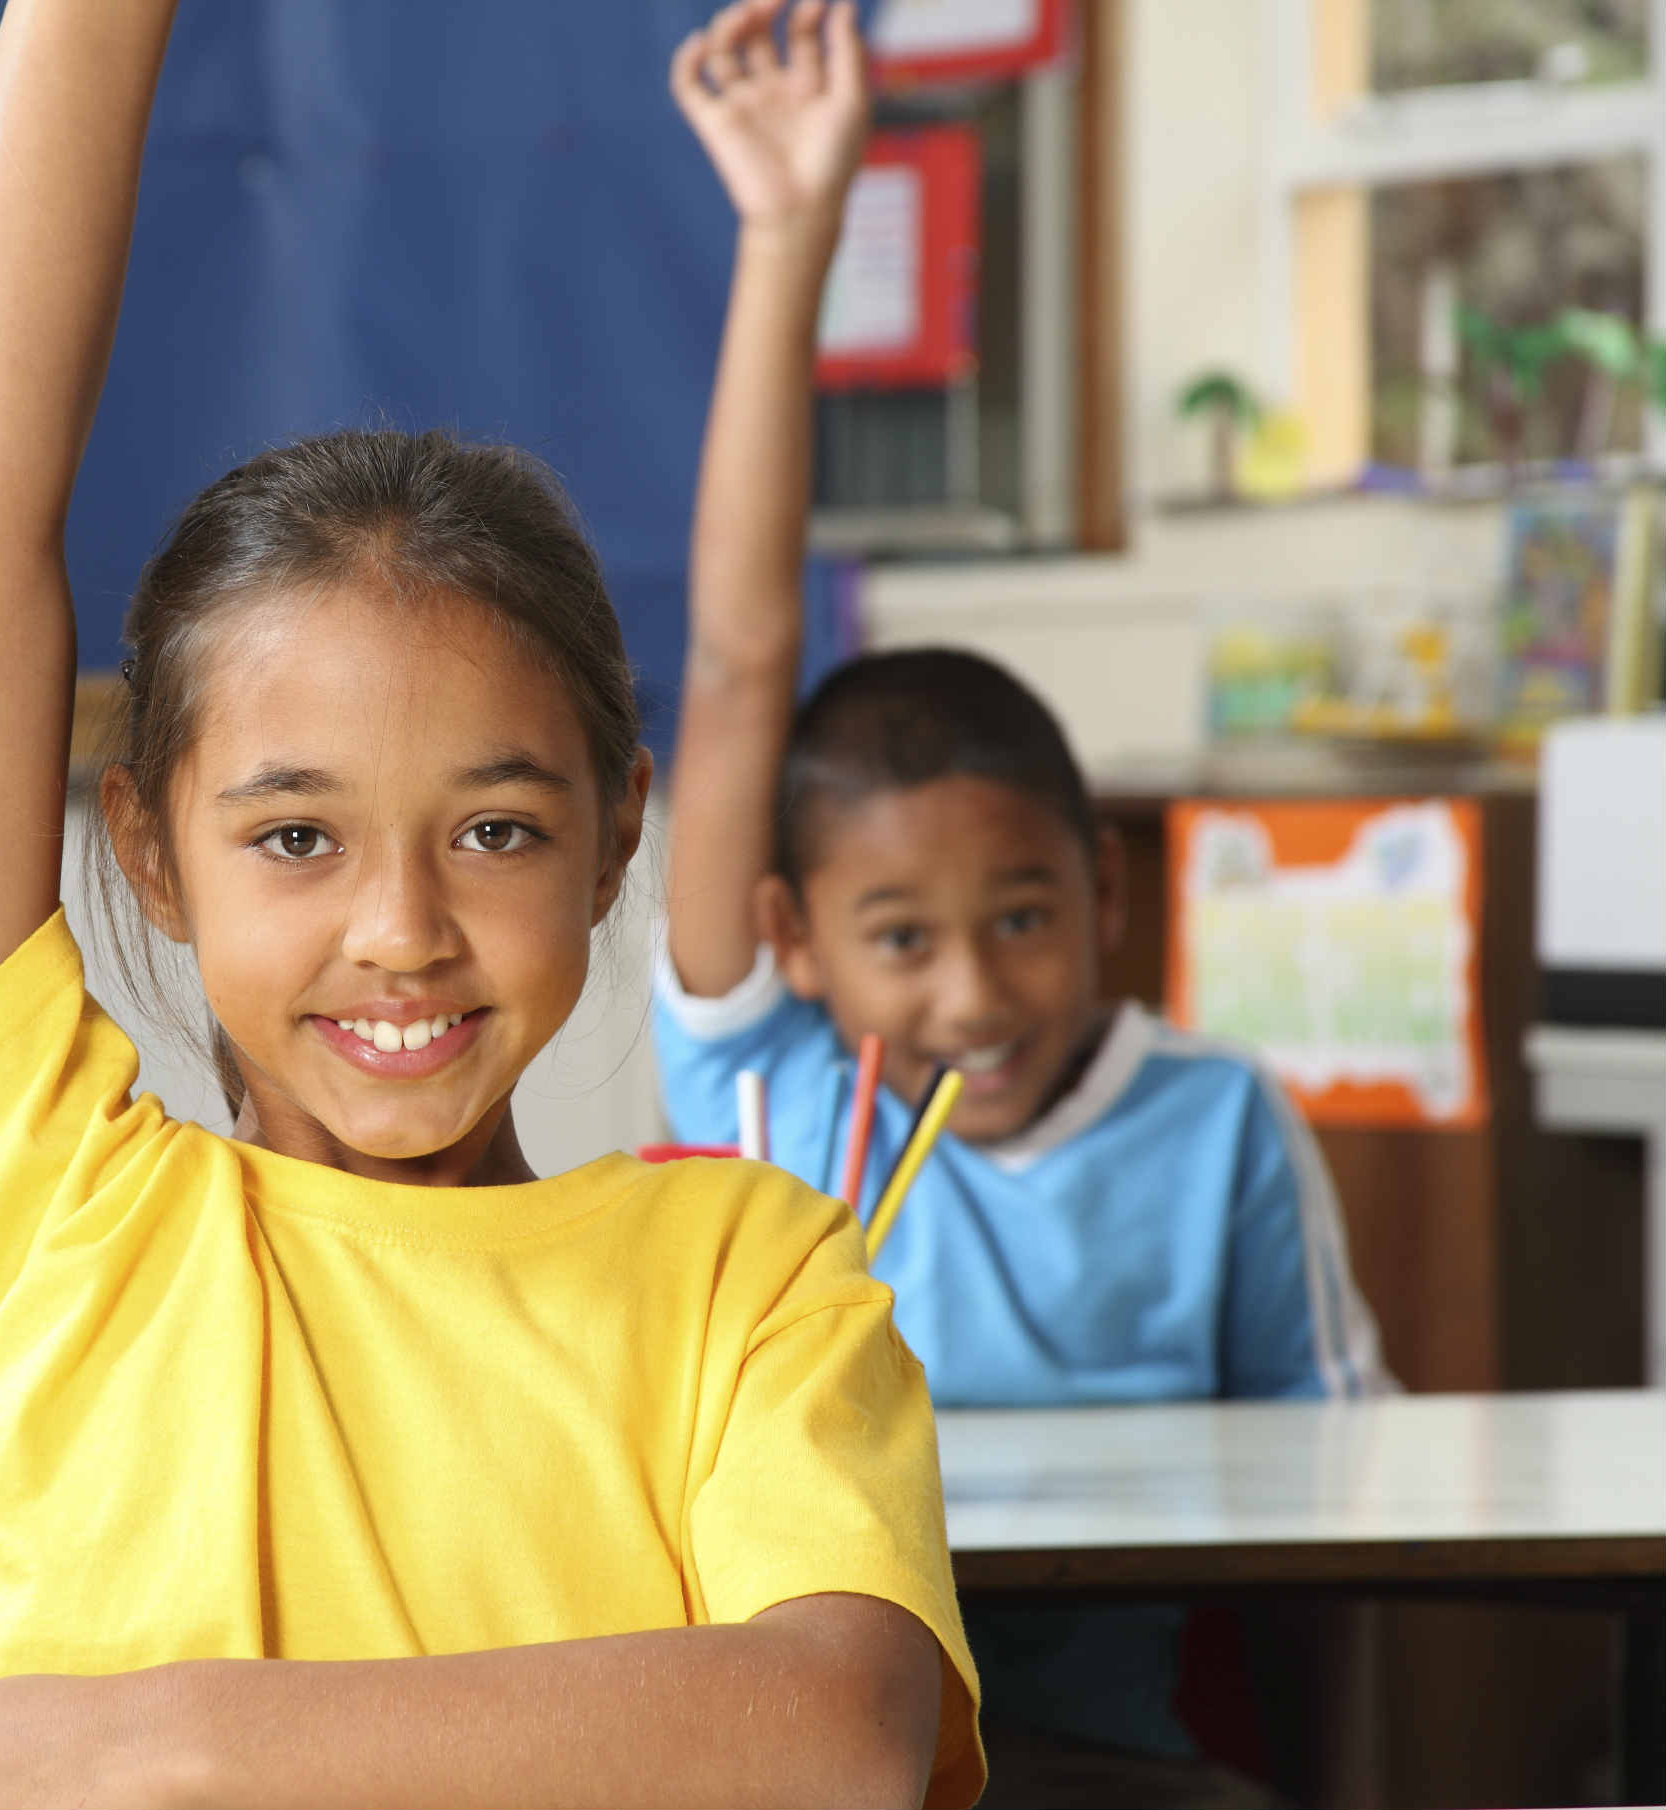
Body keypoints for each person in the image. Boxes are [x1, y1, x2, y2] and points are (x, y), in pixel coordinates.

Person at [0, 1, 981, 1806]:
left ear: (614, 833)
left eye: (494, 831)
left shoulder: (744, 1279)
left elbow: (846, 1731)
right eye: (293, 839)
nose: (404, 927)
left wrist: (169, 1737)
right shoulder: (29, 1218)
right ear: (148, 852)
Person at [653, 18, 1392, 1803]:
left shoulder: (1218, 1127)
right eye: (902, 936)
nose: (977, 991)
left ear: (1107, 896)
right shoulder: (766, 1095)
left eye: (1026, 917)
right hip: (800, 1767)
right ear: (794, 938)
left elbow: (1359, 1511)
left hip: (1081, 1766)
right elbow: (745, 659)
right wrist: (788, 240)